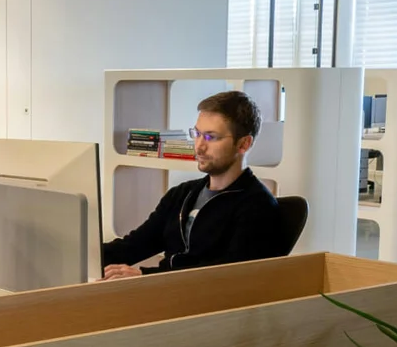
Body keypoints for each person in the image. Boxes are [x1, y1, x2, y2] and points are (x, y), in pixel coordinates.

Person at [101, 91, 283, 279]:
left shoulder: (258, 206)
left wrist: (144, 276)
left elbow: (227, 276)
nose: (199, 146)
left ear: (243, 144)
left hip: (198, 295)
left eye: (211, 137)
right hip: (164, 289)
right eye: (197, 134)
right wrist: (84, 255)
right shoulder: (182, 194)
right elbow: (134, 246)